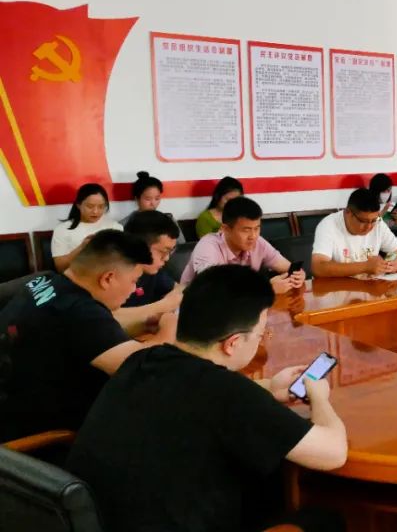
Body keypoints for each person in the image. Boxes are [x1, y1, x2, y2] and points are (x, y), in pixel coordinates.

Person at [66, 265, 347, 532]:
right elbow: (333, 452)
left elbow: (194, 395)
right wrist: (319, 396)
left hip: (99, 520)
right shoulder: (229, 394)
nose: (260, 340)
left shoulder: (143, 359)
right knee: (324, 519)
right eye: (260, 334)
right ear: (233, 343)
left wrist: (268, 388)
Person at [0, 230, 175, 442]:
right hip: (48, 436)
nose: (134, 289)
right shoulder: (80, 312)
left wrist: (146, 323)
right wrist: (170, 326)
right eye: (134, 280)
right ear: (108, 278)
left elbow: (95, 331)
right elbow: (148, 368)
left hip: (13, 405)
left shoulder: (46, 281)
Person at [181, 197, 305, 294]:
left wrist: (298, 275)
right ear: (225, 229)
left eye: (257, 228)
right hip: (197, 310)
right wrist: (266, 288)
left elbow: (287, 267)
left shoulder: (258, 242)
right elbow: (215, 290)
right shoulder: (208, 246)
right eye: (246, 230)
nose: (253, 236)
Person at [311, 188, 397, 277]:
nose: (369, 227)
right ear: (348, 213)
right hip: (338, 289)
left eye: (373, 221)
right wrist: (365, 267)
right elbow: (318, 267)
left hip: (370, 287)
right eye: (363, 221)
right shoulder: (329, 224)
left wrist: (393, 265)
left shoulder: (378, 223)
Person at [113, 210, 184, 336]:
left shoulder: (152, 271)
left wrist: (171, 301)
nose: (167, 258)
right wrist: (161, 306)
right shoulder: (111, 273)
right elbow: (105, 318)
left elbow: (180, 288)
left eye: (170, 252)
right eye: (163, 251)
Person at [51, 183, 124, 272]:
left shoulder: (115, 227)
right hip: (76, 276)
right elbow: (60, 267)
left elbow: (122, 262)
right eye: (90, 206)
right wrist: (82, 247)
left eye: (101, 206)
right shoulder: (62, 230)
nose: (95, 211)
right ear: (78, 205)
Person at [122, 171, 185, 243]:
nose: (153, 203)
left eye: (157, 198)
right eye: (148, 199)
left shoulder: (169, 219)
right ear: (137, 199)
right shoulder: (125, 224)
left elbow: (182, 246)